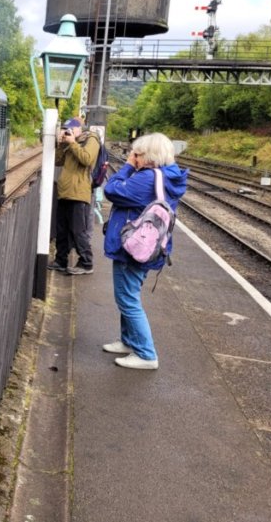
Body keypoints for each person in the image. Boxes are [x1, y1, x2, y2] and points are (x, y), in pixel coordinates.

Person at [101, 133, 188, 370]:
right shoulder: (167, 176)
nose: (133, 158)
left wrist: (127, 167)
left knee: (127, 299)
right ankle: (129, 342)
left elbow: (111, 189)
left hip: (132, 247)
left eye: (137, 154)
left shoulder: (148, 178)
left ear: (149, 156)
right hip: (147, 246)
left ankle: (146, 353)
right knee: (129, 295)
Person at [48, 117, 100, 275]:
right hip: (65, 191)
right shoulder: (71, 142)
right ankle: (60, 260)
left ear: (79, 129)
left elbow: (87, 159)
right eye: (66, 129)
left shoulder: (91, 140)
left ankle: (86, 262)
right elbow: (57, 161)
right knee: (61, 229)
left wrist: (72, 143)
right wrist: (61, 143)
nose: (68, 131)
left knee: (78, 230)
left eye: (70, 129)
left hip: (79, 193)